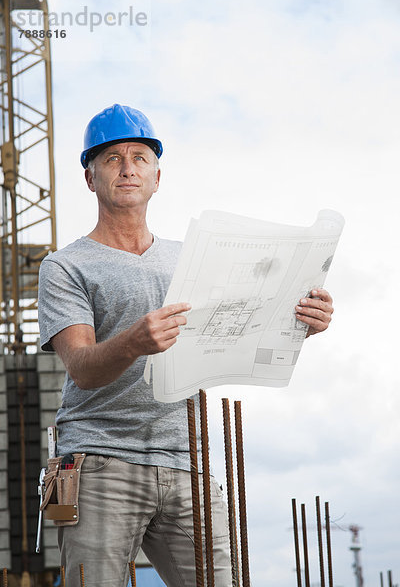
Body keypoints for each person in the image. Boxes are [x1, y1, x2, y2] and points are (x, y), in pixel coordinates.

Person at [38, 104, 334, 587]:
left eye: (140, 157)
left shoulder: (192, 259)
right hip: (100, 462)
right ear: (90, 178)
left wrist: (301, 321)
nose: (128, 167)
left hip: (188, 461)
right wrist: (134, 341)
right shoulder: (66, 267)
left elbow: (242, 327)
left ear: (158, 176)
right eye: (111, 158)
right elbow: (84, 368)